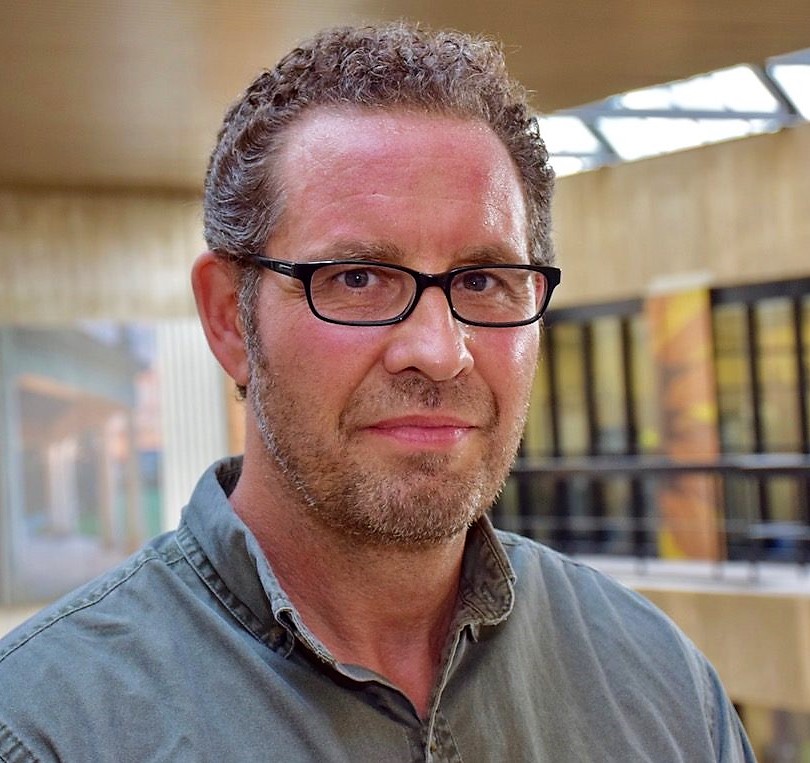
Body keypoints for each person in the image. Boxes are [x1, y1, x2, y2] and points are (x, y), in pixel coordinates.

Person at [0, 22, 754, 763]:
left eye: (483, 280)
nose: (437, 350)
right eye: (357, 277)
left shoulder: (660, 684)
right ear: (230, 317)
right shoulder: (48, 728)